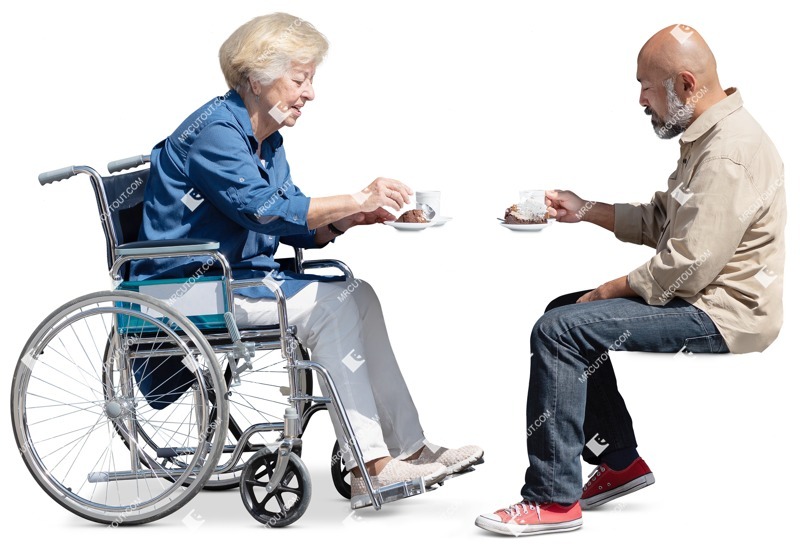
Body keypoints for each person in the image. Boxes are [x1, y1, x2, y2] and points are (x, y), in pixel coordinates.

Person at [128, 12, 482, 510]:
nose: (310, 93)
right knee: (331, 305)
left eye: (310, 78)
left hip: (241, 281)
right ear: (256, 78)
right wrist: (357, 197)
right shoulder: (215, 134)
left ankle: (410, 446)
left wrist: (348, 221)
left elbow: (289, 221)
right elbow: (264, 209)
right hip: (189, 290)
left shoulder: (266, 140)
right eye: (300, 79)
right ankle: (371, 468)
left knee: (358, 294)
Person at [476, 24, 785, 536]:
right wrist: (586, 210)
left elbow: (688, 267)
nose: (641, 99)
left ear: (685, 84)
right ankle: (619, 463)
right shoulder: (707, 136)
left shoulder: (729, 152)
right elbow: (666, 222)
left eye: (647, 86)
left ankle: (552, 500)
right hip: (702, 297)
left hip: (723, 313)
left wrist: (608, 290)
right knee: (563, 310)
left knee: (560, 330)